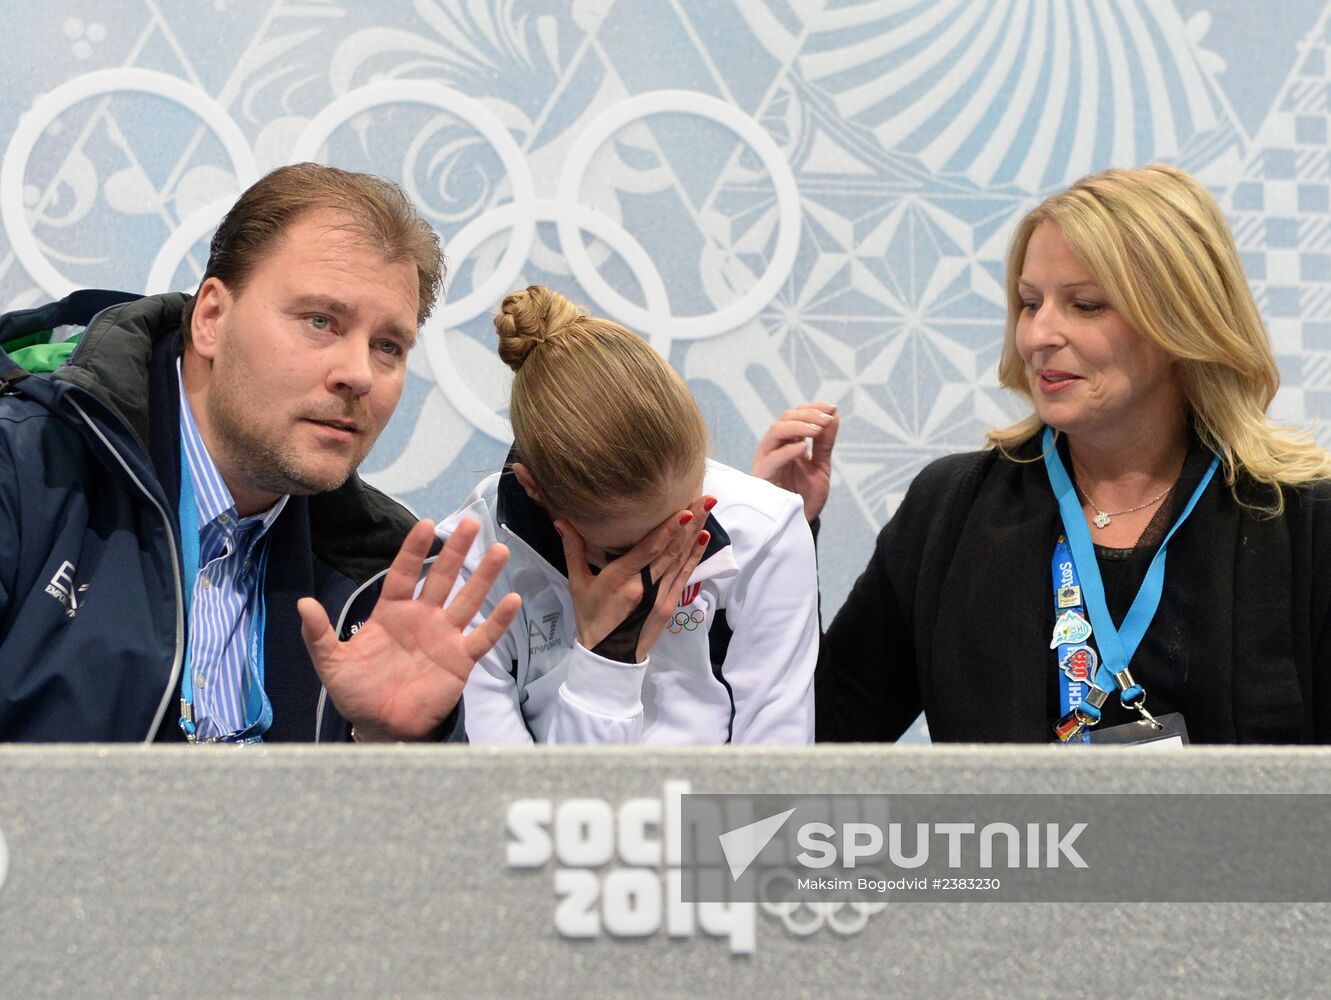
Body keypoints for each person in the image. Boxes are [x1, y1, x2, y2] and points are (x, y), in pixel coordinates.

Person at [756, 163, 1331, 744]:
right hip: (1013, 840)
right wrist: (777, 543)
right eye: (1031, 303)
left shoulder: (1304, 519)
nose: (1036, 337)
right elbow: (820, 739)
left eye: (1085, 305)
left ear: (1181, 322)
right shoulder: (950, 508)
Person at [0, 163, 520, 743]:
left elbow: (415, 830)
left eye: (387, 346)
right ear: (212, 319)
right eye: (321, 321)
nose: (357, 374)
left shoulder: (380, 576)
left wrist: (389, 747)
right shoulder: (24, 466)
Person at [438, 285, 817, 744]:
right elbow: (512, 808)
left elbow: (775, 791)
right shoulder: (468, 562)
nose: (672, 554)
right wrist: (606, 663)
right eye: (626, 550)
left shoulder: (767, 530)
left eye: (687, 516)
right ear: (534, 489)